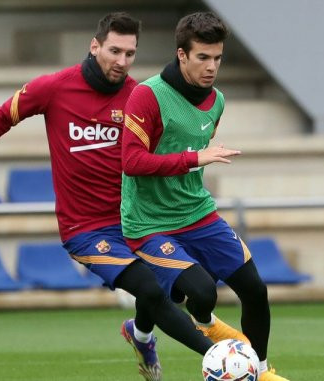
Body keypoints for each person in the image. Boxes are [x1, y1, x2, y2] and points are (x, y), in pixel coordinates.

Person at [0, 12, 228, 381]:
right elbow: (3, 115)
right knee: (150, 287)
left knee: (185, 287)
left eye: (130, 54)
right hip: (85, 229)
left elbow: (153, 159)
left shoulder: (139, 98)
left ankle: (140, 335)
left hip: (136, 220)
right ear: (95, 47)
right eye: (114, 51)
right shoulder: (54, 87)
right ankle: (221, 356)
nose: (122, 62)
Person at [120, 11, 289, 381]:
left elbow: (194, 148)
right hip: (149, 223)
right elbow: (131, 161)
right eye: (202, 57)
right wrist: (194, 158)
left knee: (255, 289)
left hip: (198, 213)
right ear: (182, 55)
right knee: (202, 292)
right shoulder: (147, 96)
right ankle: (167, 325)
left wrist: (194, 161)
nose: (212, 66)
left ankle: (259, 371)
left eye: (217, 58)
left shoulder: (217, 101)